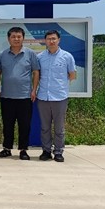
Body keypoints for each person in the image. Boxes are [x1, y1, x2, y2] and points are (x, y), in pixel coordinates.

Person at [0, 27, 40, 161]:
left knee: (24, 125)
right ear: (8, 39)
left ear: (23, 38)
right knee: (7, 124)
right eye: (13, 37)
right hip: (6, 96)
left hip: (25, 96)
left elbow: (36, 72)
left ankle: (23, 149)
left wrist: (34, 90)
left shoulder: (30, 54)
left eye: (19, 36)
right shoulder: (2, 55)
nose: (16, 39)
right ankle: (7, 148)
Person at [36, 30, 77, 163]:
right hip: (43, 97)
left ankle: (58, 151)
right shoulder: (40, 57)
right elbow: (37, 75)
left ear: (59, 40)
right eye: (49, 39)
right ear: (45, 41)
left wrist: (60, 84)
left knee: (59, 127)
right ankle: (46, 151)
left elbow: (72, 75)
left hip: (59, 97)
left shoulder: (67, 56)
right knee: (45, 127)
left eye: (54, 39)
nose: (51, 41)